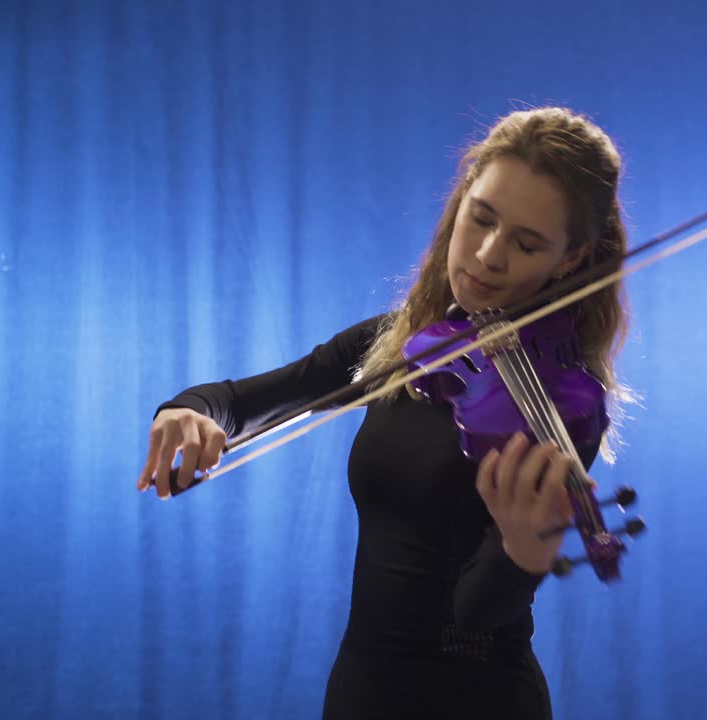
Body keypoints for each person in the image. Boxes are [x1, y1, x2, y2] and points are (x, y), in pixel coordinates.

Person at [137, 106, 634, 719]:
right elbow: (240, 402)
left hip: (480, 699)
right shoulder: (396, 349)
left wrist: (520, 558)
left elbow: (476, 615)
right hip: (361, 692)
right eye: (480, 218)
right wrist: (188, 411)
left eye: (526, 243)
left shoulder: (557, 408)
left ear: (570, 259)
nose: (486, 255)